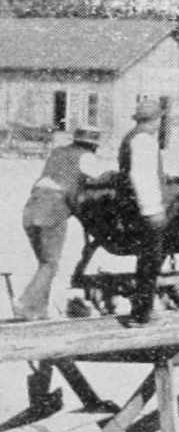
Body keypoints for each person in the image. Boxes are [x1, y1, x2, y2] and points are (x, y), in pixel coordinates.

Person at [18, 129, 102, 321]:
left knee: (45, 263)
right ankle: (26, 303)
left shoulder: (57, 152)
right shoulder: (87, 157)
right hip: (53, 209)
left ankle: (38, 311)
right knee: (50, 264)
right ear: (93, 145)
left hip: (31, 208)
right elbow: (97, 184)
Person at [118, 99, 169, 326]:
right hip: (145, 210)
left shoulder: (133, 137)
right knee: (150, 262)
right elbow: (141, 176)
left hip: (134, 208)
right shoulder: (143, 141)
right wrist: (152, 210)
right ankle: (140, 315)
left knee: (148, 261)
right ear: (156, 120)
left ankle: (144, 310)